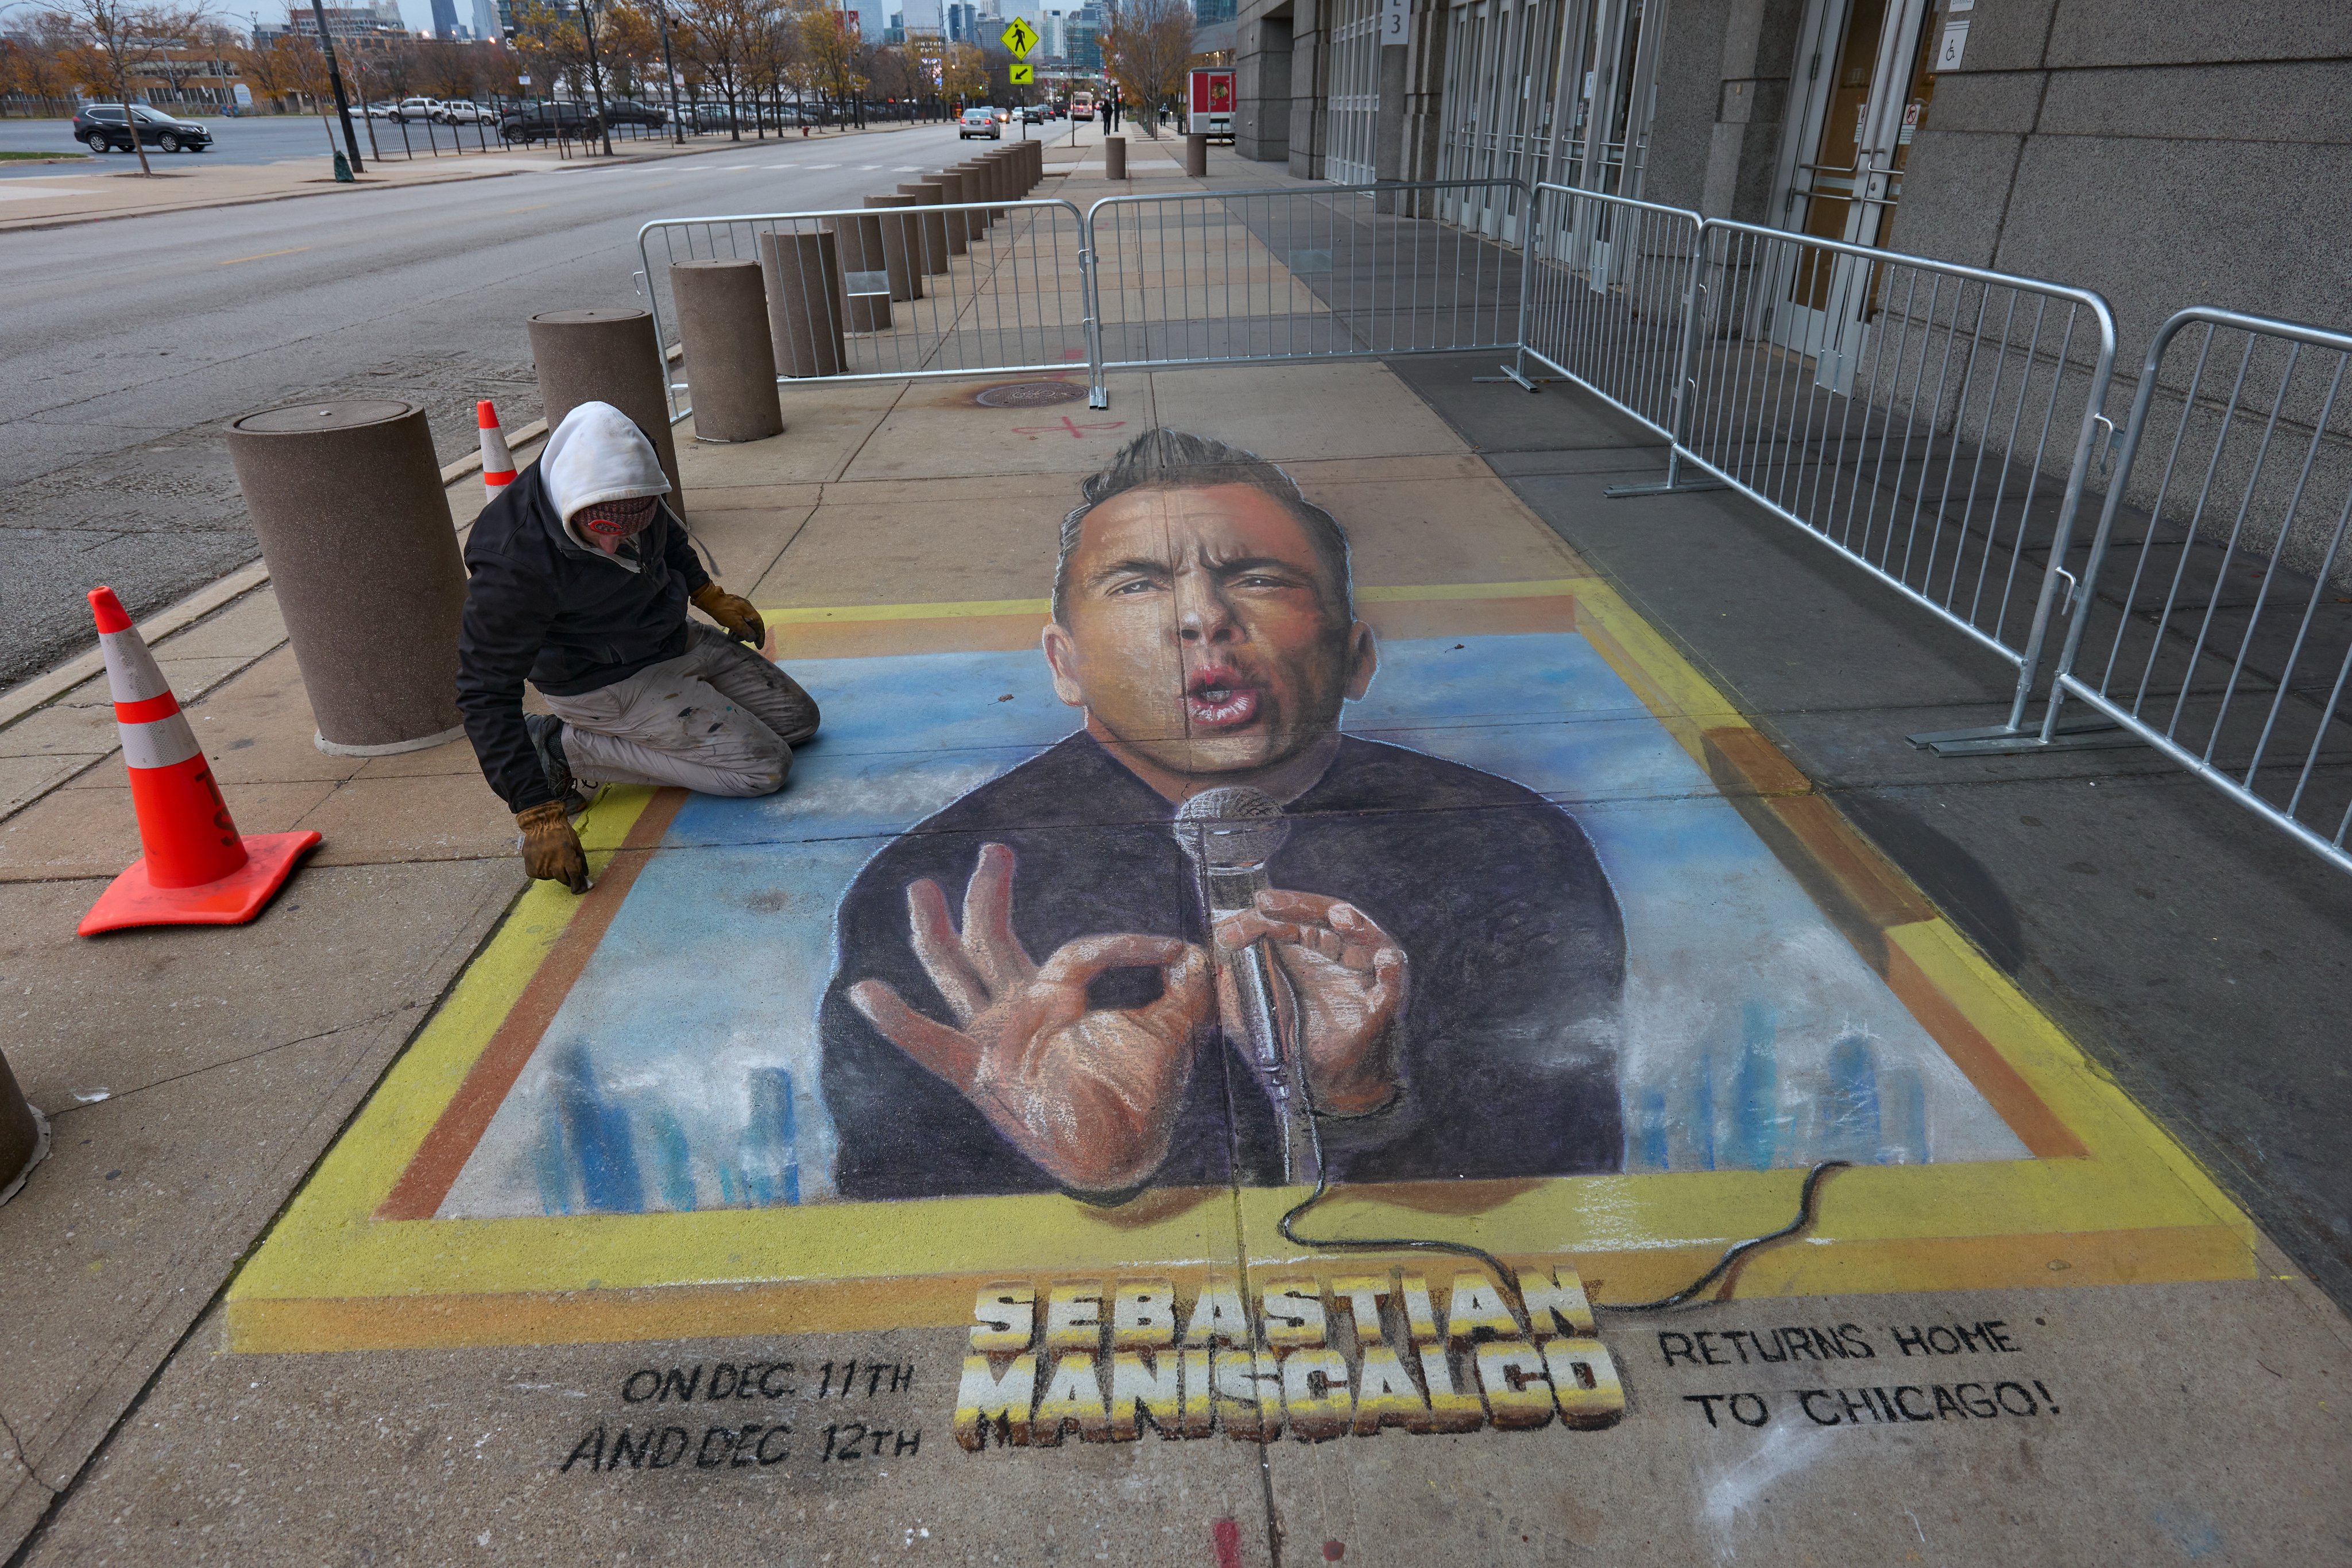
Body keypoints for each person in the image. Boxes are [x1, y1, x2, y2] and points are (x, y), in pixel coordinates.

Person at [819, 429, 1624, 1202]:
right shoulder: (932, 892)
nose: (1203, 615)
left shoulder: (1506, 843)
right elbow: (893, 1209)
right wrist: (1091, 1167)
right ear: (1065, 665)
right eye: (1138, 582)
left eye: (1262, 577)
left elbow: (1568, 1171)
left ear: (1355, 654)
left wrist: (1358, 1101)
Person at [457, 401, 819, 894]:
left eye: (629, 530)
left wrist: (704, 592)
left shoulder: (633, 475)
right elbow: (483, 691)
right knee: (764, 768)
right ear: (570, 504)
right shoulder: (514, 561)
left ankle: (652, 714)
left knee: (801, 723)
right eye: (601, 532)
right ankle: (561, 746)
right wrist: (534, 810)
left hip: (670, 638)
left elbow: (666, 533)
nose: (614, 548)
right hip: (601, 679)